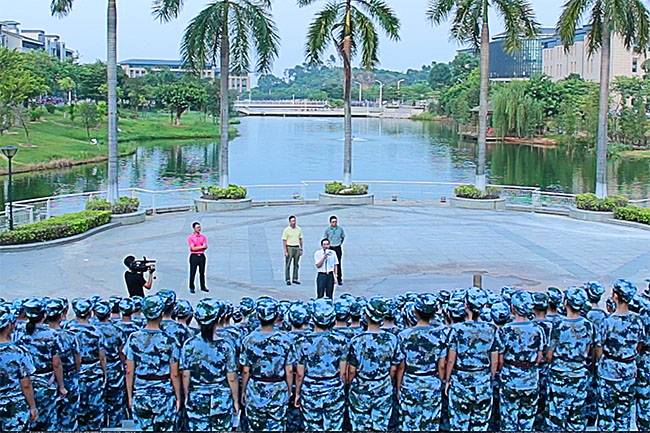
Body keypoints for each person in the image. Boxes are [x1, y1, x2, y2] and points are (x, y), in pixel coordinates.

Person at [125, 295, 182, 431]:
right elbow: (174, 374)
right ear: (162, 314)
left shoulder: (134, 338)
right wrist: (178, 397)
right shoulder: (170, 340)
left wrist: (130, 396)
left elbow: (129, 370)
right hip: (164, 394)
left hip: (141, 392)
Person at [181, 299, 240, 431]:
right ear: (217, 319)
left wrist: (186, 395)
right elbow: (232, 377)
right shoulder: (225, 346)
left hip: (197, 396)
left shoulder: (189, 345)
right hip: (221, 398)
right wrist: (235, 400)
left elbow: (185, 374)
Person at [347, 296, 404, 431]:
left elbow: (351, 370)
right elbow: (395, 367)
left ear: (366, 317)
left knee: (360, 426)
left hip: (361, 387)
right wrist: (388, 380)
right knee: (380, 425)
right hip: (383, 385)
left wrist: (349, 384)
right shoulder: (391, 339)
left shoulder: (356, 340)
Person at [445, 288, 498, 431]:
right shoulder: (491, 328)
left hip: (461, 381)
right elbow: (494, 360)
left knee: (459, 424)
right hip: (483, 380)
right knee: (480, 424)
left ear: (466, 305)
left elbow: (451, 360)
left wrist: (448, 380)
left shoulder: (457, 329)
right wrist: (490, 378)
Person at [596, 279, 644, 431]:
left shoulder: (608, 321)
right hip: (629, 370)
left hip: (609, 371)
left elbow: (599, 347)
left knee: (606, 414)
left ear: (615, 296)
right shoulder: (637, 320)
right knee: (624, 413)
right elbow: (639, 344)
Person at [293, 298, 349, 431]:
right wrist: (341, 388)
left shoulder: (302, 341)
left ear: (313, 318)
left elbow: (300, 374)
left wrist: (297, 393)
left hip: (310, 389)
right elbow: (343, 372)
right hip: (334, 387)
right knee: (334, 427)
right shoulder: (341, 340)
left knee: (312, 427)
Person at [240, 297, 294, 431]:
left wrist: (244, 391)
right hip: (278, 388)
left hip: (255, 389)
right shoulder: (285, 340)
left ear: (258, 316)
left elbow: (246, 370)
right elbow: (289, 370)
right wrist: (289, 390)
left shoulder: (248, 340)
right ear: (276, 317)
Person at [395, 293, 447, 431]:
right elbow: (442, 365)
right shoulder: (440, 334)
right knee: (431, 424)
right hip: (432, 382)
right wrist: (441, 382)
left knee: (410, 423)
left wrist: (399, 387)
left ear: (415, 312)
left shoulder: (404, 335)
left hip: (410, 382)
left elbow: (401, 366)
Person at [546, 286, 595, 431]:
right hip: (579, 373)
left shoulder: (558, 326)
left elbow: (549, 355)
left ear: (566, 302)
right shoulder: (588, 325)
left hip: (560, 375)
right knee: (576, 414)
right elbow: (588, 350)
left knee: (557, 415)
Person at [497, 290, 544, 431]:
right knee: (527, 419)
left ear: (512, 308)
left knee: (508, 418)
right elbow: (539, 357)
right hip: (531, 378)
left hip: (510, 378)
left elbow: (500, 359)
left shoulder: (505, 330)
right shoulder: (538, 329)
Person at [19, 297, 67, 431]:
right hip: (47, 383)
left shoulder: (20, 333)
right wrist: (61, 386)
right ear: (44, 314)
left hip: (26, 382)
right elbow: (56, 364)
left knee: (31, 420)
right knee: (49, 422)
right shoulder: (52, 335)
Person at [67, 298, 107, 431]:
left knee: (78, 407)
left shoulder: (69, 330)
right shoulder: (96, 331)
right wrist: (104, 373)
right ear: (90, 313)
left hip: (75, 371)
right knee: (95, 407)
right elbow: (102, 356)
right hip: (94, 371)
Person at [0, 306, 39, 431]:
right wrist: (32, 407)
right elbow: (26, 384)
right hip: (13, 406)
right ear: (9, 326)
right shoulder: (19, 352)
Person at [45, 298, 81, 432]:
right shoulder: (70, 336)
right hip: (68, 377)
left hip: (46, 381)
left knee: (49, 419)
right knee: (69, 416)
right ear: (61, 315)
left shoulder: (37, 336)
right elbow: (77, 359)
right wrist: (75, 373)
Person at [93, 300, 127, 428]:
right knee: (115, 403)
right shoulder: (117, 330)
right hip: (115, 367)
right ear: (109, 314)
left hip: (96, 369)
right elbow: (121, 352)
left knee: (97, 403)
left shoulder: (93, 330)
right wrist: (123, 366)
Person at [324, 216, 345, 285]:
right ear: (330, 222)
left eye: (335, 222)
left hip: (337, 247)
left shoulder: (340, 229)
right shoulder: (327, 230)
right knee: (330, 263)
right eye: (333, 222)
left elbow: (343, 237)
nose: (334, 223)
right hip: (331, 247)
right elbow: (325, 239)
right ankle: (330, 278)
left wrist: (339, 243)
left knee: (338, 263)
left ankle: (339, 278)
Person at [188, 222, 209, 293]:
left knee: (202, 272)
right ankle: (191, 287)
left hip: (202, 256)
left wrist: (198, 248)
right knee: (193, 272)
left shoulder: (203, 237)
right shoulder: (191, 237)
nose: (199, 229)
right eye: (197, 227)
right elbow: (193, 248)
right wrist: (201, 247)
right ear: (194, 228)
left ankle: (203, 286)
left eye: (199, 227)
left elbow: (205, 246)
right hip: (194, 256)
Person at [282, 215, 303, 286]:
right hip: (289, 247)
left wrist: (301, 248)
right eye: (292, 221)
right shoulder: (286, 230)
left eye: (294, 221)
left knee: (296, 264)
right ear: (289, 222)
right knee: (288, 264)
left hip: (296, 247)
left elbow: (300, 239)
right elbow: (284, 241)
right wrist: (285, 251)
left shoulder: (299, 229)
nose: (294, 222)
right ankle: (287, 278)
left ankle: (295, 278)